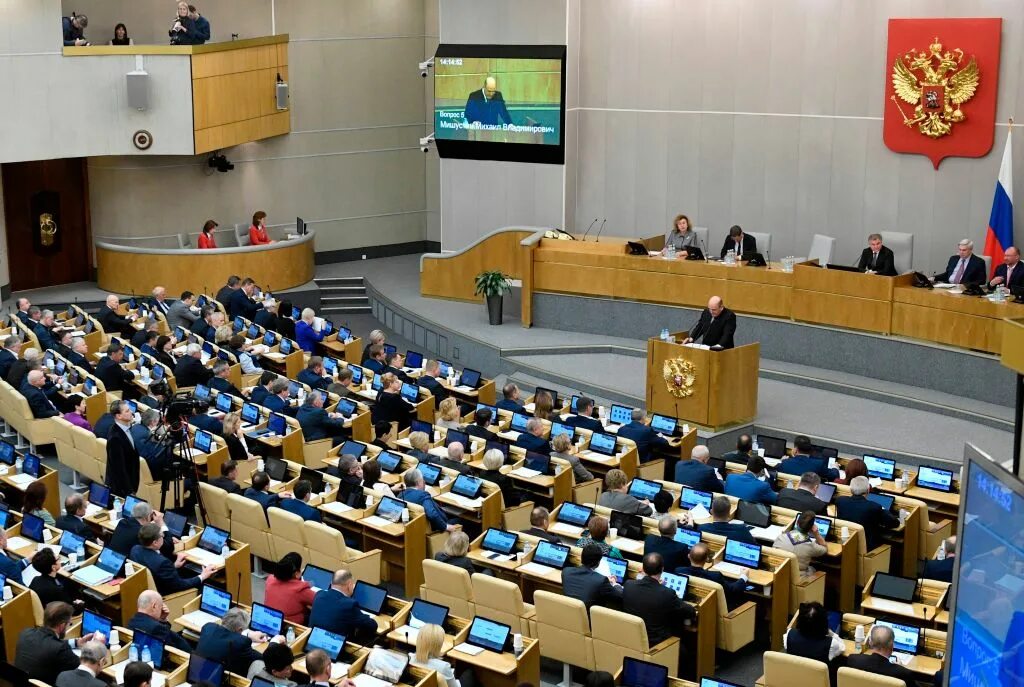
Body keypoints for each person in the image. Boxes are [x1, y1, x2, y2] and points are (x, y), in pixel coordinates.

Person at [15, 601, 100, 684]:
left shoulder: (26, 633)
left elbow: (48, 643)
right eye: (69, 624)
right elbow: (86, 670)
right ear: (62, 625)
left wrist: (76, 642)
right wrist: (97, 646)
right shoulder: (60, 649)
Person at [623, 552, 697, 646]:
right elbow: (690, 611)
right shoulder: (667, 593)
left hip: (632, 638)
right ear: (662, 569)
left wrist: (659, 587)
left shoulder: (629, 585)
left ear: (643, 569)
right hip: (657, 644)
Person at [130, 523, 215, 593]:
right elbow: (180, 585)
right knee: (206, 586)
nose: (163, 536)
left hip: (146, 590)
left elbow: (156, 572)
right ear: (155, 542)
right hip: (166, 596)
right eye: (161, 535)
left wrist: (174, 566)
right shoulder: (162, 562)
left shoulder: (135, 549)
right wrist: (203, 576)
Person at [308, 569, 378, 643]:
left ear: (331, 583)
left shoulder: (319, 594)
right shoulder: (349, 605)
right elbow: (372, 626)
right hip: (335, 647)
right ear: (349, 585)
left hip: (312, 641)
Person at [196, 607, 268, 676]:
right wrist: (274, 642)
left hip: (198, 671)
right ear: (240, 630)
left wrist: (248, 634)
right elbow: (263, 657)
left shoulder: (208, 627)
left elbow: (228, 635)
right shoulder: (240, 643)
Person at [835, 476, 898, 550]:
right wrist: (884, 510)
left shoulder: (840, 501)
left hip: (846, 542)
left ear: (851, 489)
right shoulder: (874, 507)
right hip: (867, 548)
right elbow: (894, 523)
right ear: (868, 490)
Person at [675, 543, 748, 607]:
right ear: (707, 559)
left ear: (688, 556)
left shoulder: (679, 571)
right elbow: (733, 590)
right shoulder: (715, 576)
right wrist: (743, 576)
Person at [846, 625, 916, 687]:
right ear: (892, 645)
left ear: (870, 642)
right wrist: (900, 668)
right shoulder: (903, 673)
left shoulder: (853, 660)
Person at [562, 543, 623, 610]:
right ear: (598, 563)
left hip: (568, 613)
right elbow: (619, 596)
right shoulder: (601, 581)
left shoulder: (566, 572)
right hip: (590, 618)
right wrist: (614, 584)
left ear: (582, 557)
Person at [127, 590, 192, 653]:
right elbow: (172, 647)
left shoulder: (132, 621)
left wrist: (162, 619)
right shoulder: (157, 628)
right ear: (154, 606)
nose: (161, 610)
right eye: (161, 607)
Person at [783, 601, 844, 666]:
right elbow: (842, 647)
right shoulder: (832, 644)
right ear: (823, 623)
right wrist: (831, 633)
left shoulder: (788, 636)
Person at [265, 552, 316, 624]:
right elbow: (319, 601)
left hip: (268, 618)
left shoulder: (270, 579)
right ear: (297, 574)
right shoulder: (300, 590)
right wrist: (311, 583)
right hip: (287, 625)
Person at [110, 501, 175, 558]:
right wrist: (161, 522)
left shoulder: (122, 522)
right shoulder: (143, 532)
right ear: (148, 517)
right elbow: (169, 548)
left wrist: (162, 535)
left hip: (115, 557)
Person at [773, 511, 828, 578]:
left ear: (797, 522)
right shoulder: (810, 545)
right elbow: (825, 549)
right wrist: (816, 533)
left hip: (779, 572)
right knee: (815, 568)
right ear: (811, 528)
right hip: (798, 578)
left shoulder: (781, 537)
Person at [105, 400, 140, 497]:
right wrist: (129, 491)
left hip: (131, 482)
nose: (131, 413)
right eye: (127, 411)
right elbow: (119, 468)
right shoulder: (115, 437)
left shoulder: (126, 428)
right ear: (119, 416)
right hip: (121, 489)